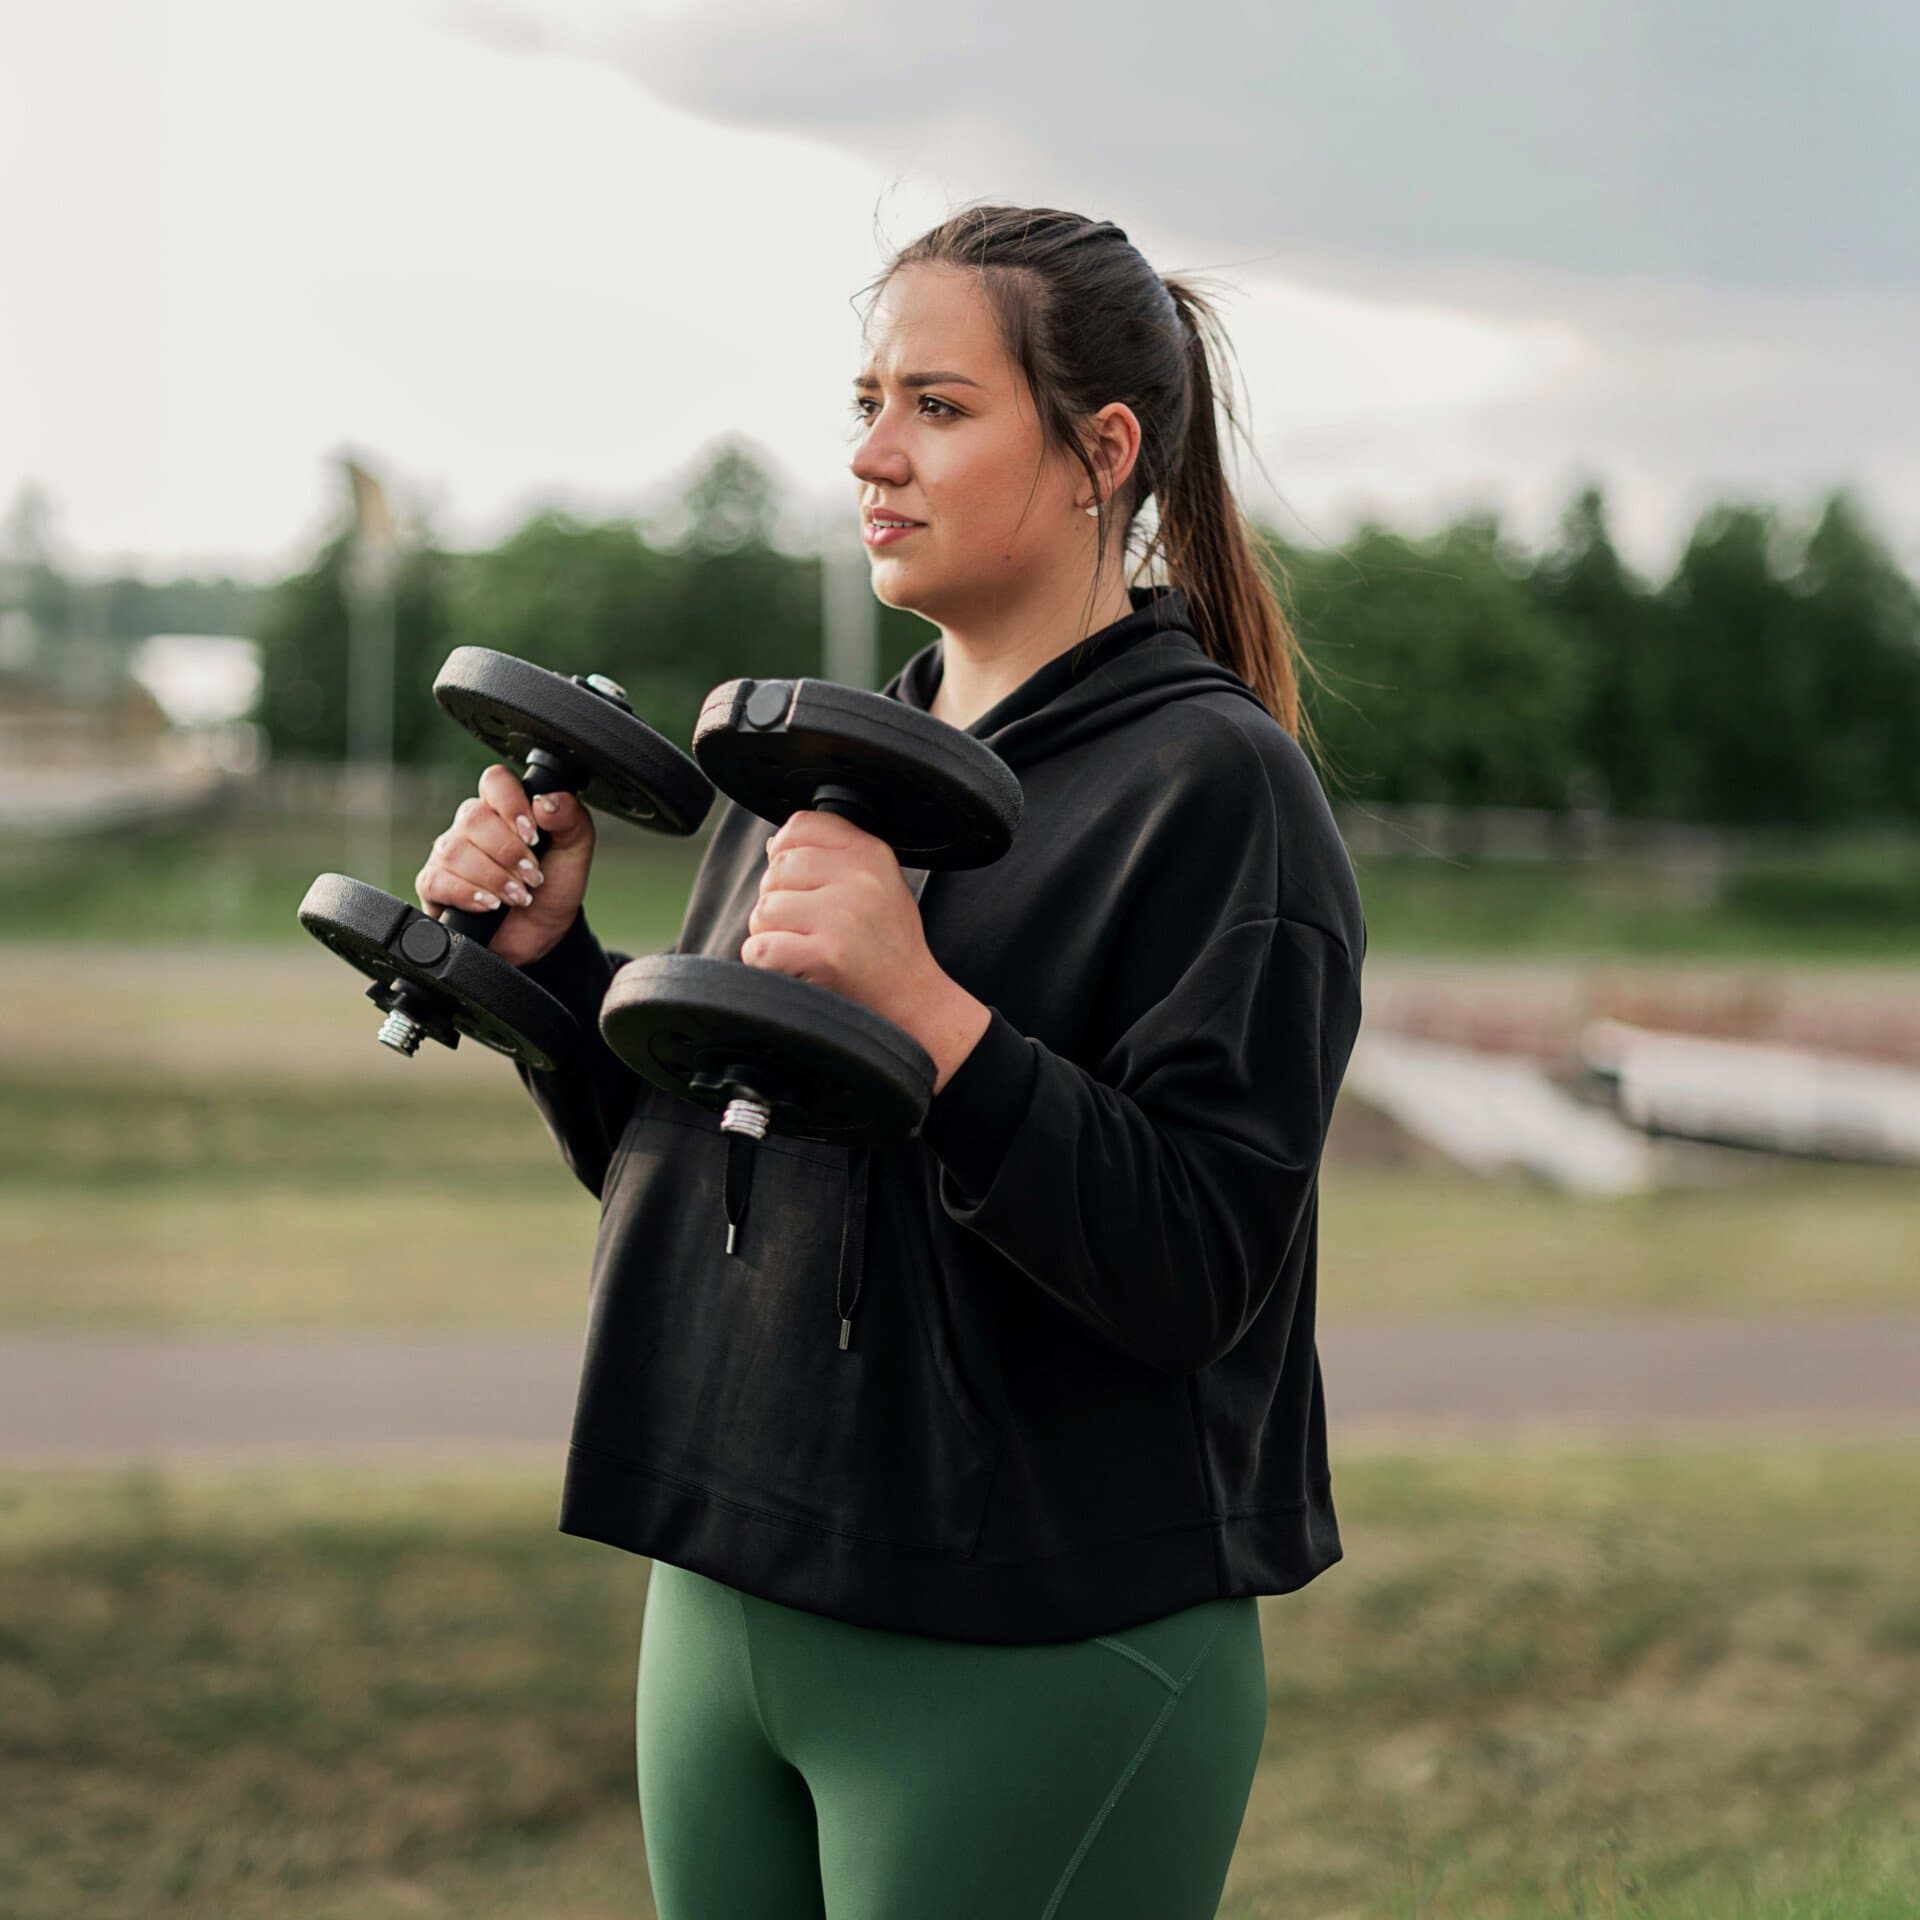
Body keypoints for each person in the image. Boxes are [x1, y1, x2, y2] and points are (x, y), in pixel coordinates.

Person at [416, 203, 1366, 1920]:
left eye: (937, 405)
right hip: (723, 1592)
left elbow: (1200, 1264)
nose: (870, 454)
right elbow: (721, 1164)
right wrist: (558, 980)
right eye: (867, 400)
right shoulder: (816, 771)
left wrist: (932, 1015)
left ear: (1102, 451)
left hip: (1033, 1638)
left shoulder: (1217, 792)